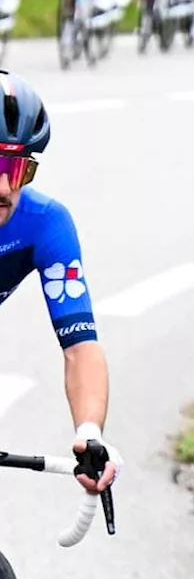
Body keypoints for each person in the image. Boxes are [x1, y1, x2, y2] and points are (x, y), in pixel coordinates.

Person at [0, 71, 115, 494]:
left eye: (16, 167)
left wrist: (90, 432)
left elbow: (80, 346)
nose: (3, 186)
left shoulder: (44, 224)